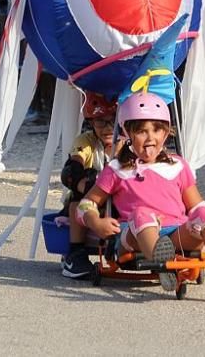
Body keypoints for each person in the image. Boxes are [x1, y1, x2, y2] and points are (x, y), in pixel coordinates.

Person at [77, 92, 205, 293]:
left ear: (166, 132)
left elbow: (196, 205)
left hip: (174, 234)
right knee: (143, 214)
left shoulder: (177, 165)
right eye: (142, 131)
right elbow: (86, 204)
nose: (150, 137)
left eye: (157, 130)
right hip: (134, 237)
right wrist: (95, 222)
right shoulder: (118, 169)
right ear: (127, 133)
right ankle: (164, 266)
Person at [59, 93, 117, 279]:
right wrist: (86, 186)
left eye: (112, 121)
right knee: (78, 196)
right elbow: (73, 168)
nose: (108, 128)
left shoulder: (127, 143)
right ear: (92, 123)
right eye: (101, 122)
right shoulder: (86, 141)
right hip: (90, 197)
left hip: (119, 197)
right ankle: (75, 255)